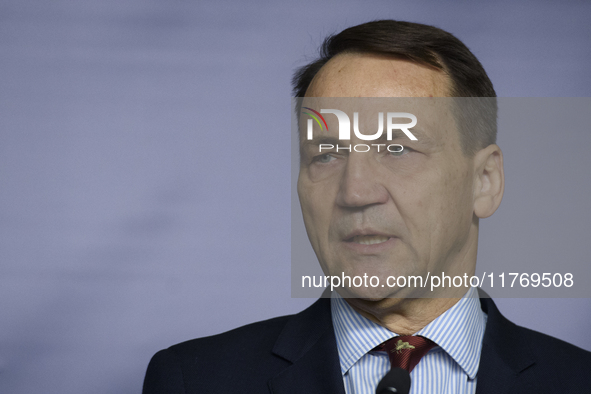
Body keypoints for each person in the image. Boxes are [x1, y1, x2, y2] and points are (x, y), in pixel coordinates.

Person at [142, 20, 591, 393]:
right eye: (326, 154)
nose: (355, 192)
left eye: (396, 149)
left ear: (485, 182)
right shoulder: (193, 380)